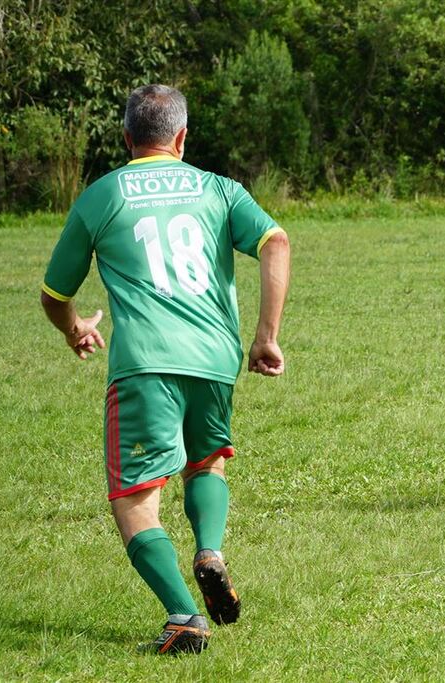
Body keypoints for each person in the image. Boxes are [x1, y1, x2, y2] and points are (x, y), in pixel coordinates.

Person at [40, 84, 291, 653]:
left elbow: (55, 292)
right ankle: (210, 551)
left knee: (134, 498)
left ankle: (183, 616)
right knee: (206, 462)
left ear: (128, 139)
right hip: (214, 360)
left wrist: (75, 326)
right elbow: (276, 242)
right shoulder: (219, 189)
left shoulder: (102, 195)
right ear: (181, 137)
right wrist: (266, 337)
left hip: (144, 366)